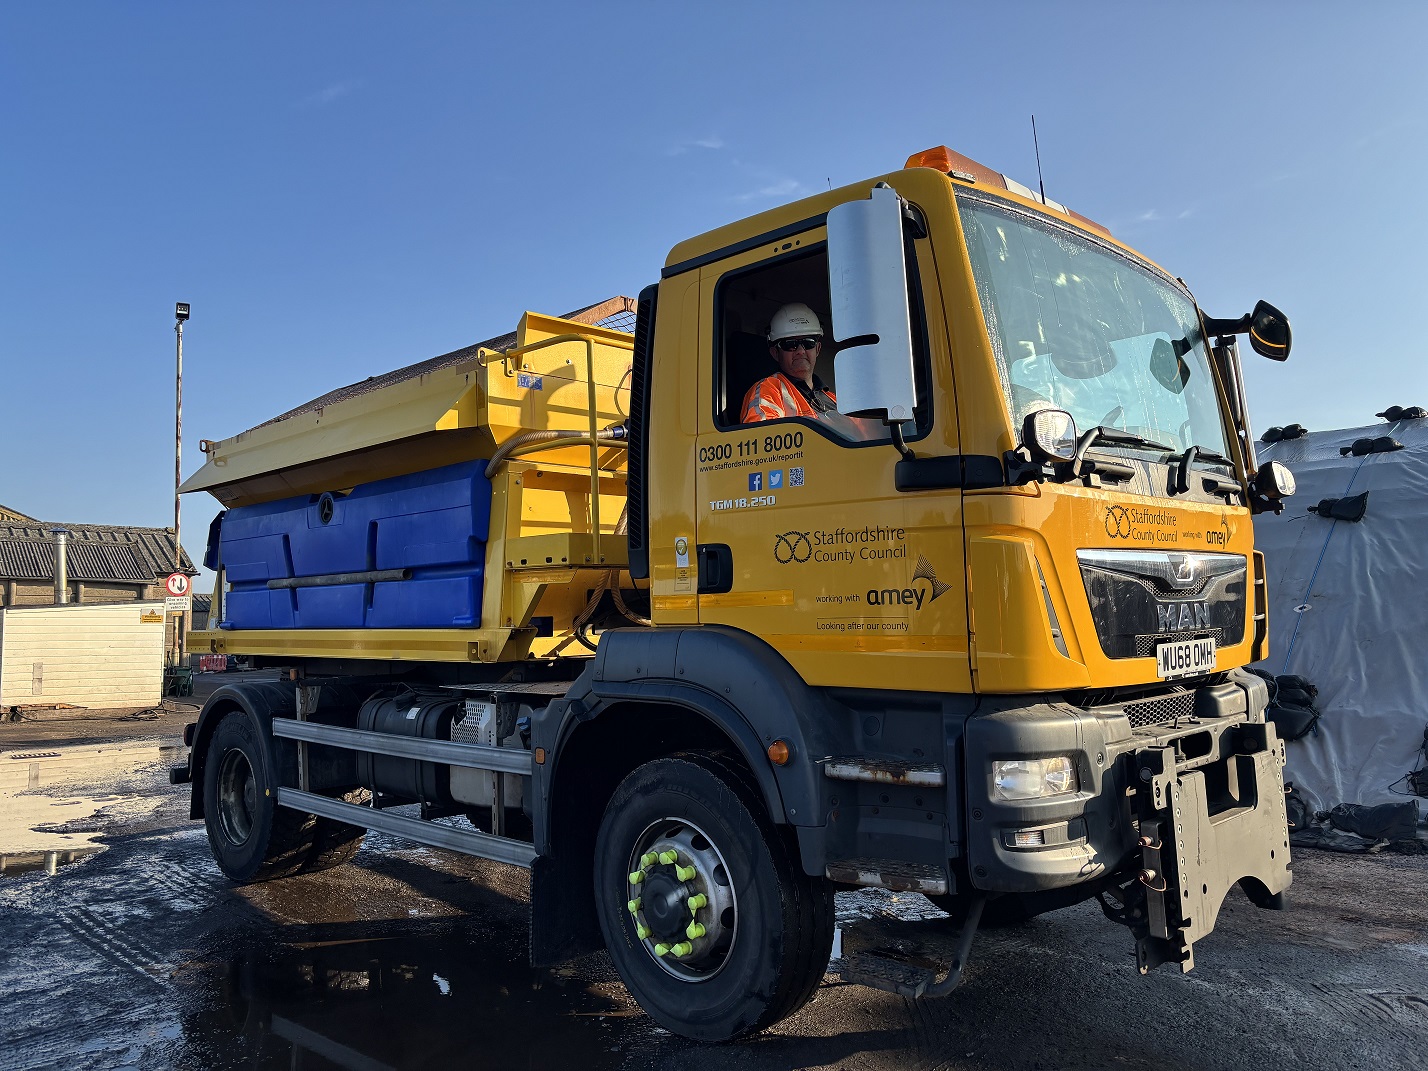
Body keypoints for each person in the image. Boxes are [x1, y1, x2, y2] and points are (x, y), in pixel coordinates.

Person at [740, 303, 867, 438]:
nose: (800, 351)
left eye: (808, 343)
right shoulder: (769, 390)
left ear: (817, 349)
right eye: (790, 344)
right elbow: (763, 442)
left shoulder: (835, 400)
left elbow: (866, 437)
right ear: (775, 353)